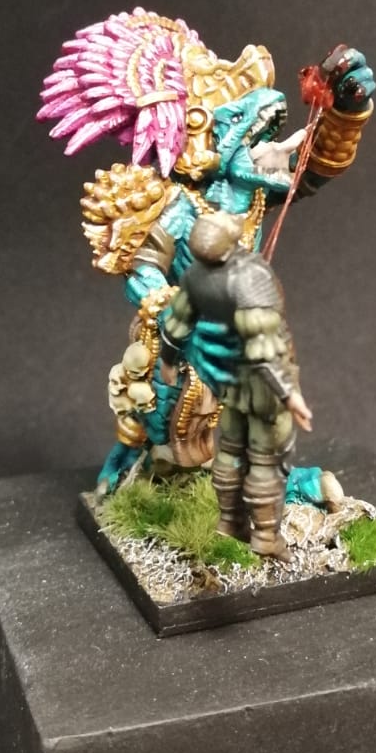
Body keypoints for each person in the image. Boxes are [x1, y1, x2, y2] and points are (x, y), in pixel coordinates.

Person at [160, 212, 312, 560]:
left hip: (227, 380)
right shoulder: (249, 279)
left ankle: (229, 521)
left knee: (229, 449)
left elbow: (176, 324)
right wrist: (289, 395)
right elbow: (263, 350)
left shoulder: (194, 276)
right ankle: (266, 537)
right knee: (266, 458)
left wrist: (168, 361)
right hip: (263, 388)